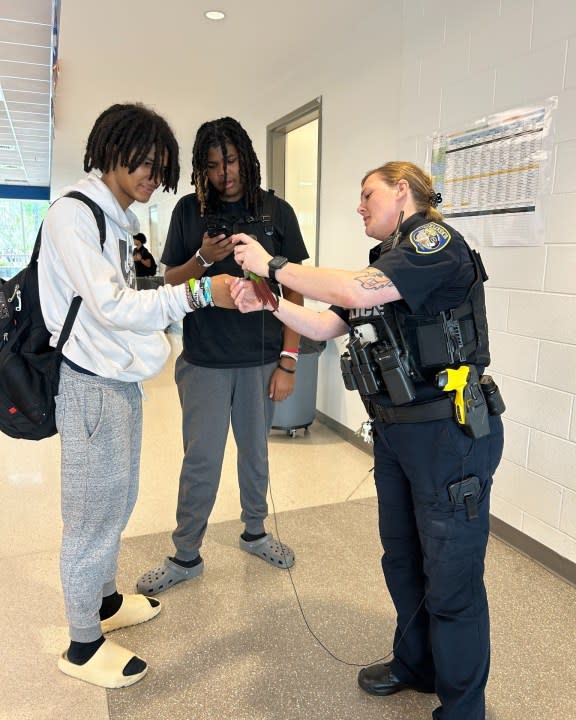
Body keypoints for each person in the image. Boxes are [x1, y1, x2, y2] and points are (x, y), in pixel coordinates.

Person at [231, 161, 504, 720]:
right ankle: (417, 664)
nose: (359, 206)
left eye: (367, 195)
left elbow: (354, 289)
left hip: (448, 436)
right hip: (398, 435)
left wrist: (275, 264)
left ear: (402, 191)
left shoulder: (434, 241)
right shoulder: (388, 262)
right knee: (402, 558)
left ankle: (462, 707)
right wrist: (270, 301)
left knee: (451, 577)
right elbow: (329, 325)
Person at [38, 103, 235, 689]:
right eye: (143, 160)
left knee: (117, 499)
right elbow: (113, 306)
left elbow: (137, 288)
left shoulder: (118, 221)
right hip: (89, 384)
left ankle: (102, 603)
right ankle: (81, 645)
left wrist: (194, 274)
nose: (152, 173)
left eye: (161, 164)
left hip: (119, 381)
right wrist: (202, 294)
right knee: (91, 515)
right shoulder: (74, 217)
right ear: (109, 149)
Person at [136, 117, 309, 597]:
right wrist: (204, 260)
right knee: (201, 461)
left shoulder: (277, 212)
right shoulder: (189, 212)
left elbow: (296, 291)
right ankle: (185, 553)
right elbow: (169, 283)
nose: (223, 173)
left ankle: (255, 532)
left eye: (230, 161)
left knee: (256, 454)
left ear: (246, 157)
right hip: (205, 362)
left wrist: (289, 361)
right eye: (211, 165)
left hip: (260, 359)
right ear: (200, 169)